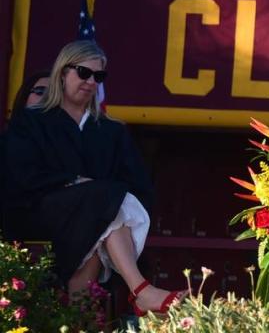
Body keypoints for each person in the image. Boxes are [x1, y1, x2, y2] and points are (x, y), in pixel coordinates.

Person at [3, 40, 183, 314]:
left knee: (104, 210)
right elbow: (20, 176)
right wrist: (73, 182)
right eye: (83, 73)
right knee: (103, 200)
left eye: (98, 77)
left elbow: (138, 185)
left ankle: (84, 320)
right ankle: (140, 290)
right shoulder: (32, 123)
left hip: (96, 220)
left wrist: (98, 196)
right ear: (62, 73)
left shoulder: (111, 132)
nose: (90, 82)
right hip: (40, 214)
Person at [1, 69, 50, 240]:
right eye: (40, 91)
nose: (46, 97)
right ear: (24, 97)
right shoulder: (6, 139)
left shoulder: (68, 146)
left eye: (53, 94)